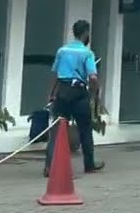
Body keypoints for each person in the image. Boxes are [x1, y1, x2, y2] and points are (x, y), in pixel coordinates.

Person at [43, 19, 103, 177]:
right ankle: (89, 165)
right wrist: (94, 93)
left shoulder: (62, 51)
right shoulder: (87, 53)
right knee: (85, 129)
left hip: (62, 91)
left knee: (57, 130)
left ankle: (49, 166)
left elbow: (55, 73)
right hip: (79, 93)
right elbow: (93, 77)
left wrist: (51, 93)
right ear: (86, 34)